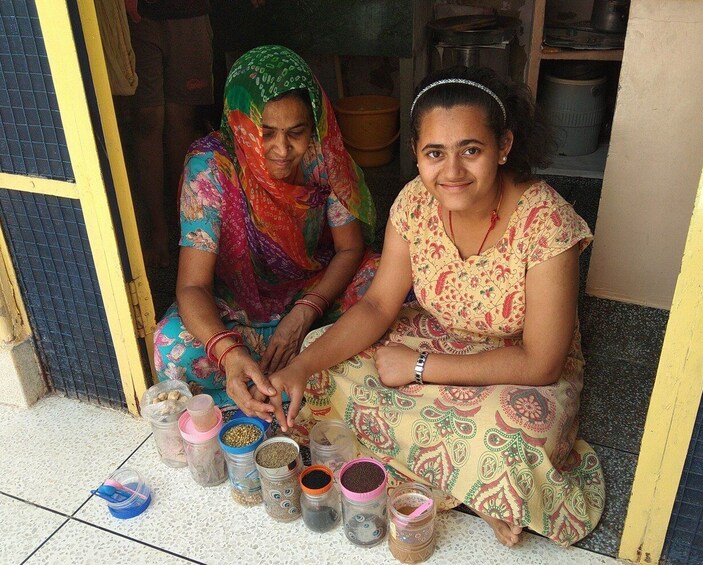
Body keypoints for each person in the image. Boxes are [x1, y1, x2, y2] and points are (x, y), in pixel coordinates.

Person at [253, 66, 605, 547]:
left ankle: (467, 480)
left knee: (515, 439)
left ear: (503, 147)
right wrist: (299, 366)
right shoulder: (414, 203)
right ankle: (465, 484)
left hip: (517, 362)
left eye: (472, 150)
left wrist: (419, 368)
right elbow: (378, 305)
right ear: (417, 154)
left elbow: (541, 362)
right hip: (434, 330)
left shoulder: (547, 222)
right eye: (435, 153)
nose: (452, 171)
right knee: (318, 360)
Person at [153, 45, 379, 408]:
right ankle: (274, 374)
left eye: (296, 132)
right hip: (239, 311)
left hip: (317, 296)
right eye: (266, 132)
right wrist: (228, 354)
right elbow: (192, 285)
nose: (282, 149)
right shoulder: (211, 168)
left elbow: (350, 249)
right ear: (240, 123)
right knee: (172, 346)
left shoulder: (325, 157)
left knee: (386, 286)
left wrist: (305, 312)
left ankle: (294, 366)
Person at [125, 0, 214, 267]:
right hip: (141, 14)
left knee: (182, 118)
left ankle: (186, 224)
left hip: (189, 11)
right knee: (147, 119)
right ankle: (157, 227)